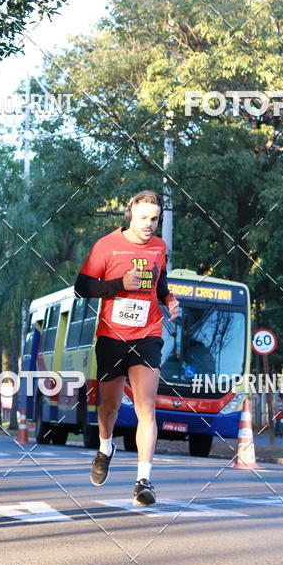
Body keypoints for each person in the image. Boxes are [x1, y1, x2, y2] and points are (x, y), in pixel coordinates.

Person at [75, 190, 179, 506]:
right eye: (143, 217)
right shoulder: (106, 246)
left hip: (147, 334)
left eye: (154, 219)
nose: (149, 224)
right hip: (111, 335)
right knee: (109, 407)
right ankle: (105, 448)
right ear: (130, 215)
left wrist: (168, 299)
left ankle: (143, 482)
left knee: (146, 407)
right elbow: (82, 287)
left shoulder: (160, 247)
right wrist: (119, 284)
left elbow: (160, 282)